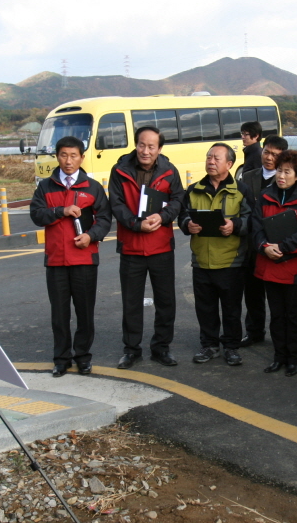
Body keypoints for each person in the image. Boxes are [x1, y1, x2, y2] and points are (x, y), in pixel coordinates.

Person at [30, 135, 112, 377]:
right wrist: (60, 210)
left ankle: (83, 357)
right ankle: (61, 359)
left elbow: (105, 219)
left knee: (85, 312)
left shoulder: (93, 187)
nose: (68, 161)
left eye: (73, 155)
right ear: (57, 156)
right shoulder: (45, 186)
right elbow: (36, 215)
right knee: (59, 313)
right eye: (64, 155)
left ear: (82, 157)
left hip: (85, 260)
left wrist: (91, 236)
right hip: (56, 260)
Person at [108, 126, 185, 369]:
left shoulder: (170, 171)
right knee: (131, 302)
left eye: (152, 146)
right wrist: (135, 223)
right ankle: (131, 350)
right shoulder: (120, 170)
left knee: (165, 301)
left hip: (161, 246)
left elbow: (178, 199)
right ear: (136, 144)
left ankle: (162, 348)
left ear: (159, 149)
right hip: (131, 246)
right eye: (142, 145)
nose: (146, 150)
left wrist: (162, 217)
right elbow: (116, 203)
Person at [179, 143, 251, 366]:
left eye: (216, 158)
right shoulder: (193, 190)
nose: (211, 161)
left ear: (229, 164)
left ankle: (231, 347)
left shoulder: (241, 190)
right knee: (205, 309)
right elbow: (181, 217)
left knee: (231, 309)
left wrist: (235, 225)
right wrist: (187, 224)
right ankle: (209, 345)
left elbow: (252, 220)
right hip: (201, 261)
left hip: (231, 260)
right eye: (209, 157)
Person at [252, 150, 297, 377]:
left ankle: (294, 358)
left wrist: (283, 248)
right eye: (279, 170)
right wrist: (264, 247)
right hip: (269, 263)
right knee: (276, 313)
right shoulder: (264, 196)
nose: (281, 175)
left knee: (292, 313)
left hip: (293, 266)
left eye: (287, 171)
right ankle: (279, 356)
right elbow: (256, 227)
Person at [239, 136, 288, 347]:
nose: (269, 158)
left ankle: (283, 337)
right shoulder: (248, 176)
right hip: (252, 244)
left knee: (279, 298)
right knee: (252, 293)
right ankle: (254, 331)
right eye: (267, 152)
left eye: (275, 155)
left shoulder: (287, 179)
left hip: (277, 245)